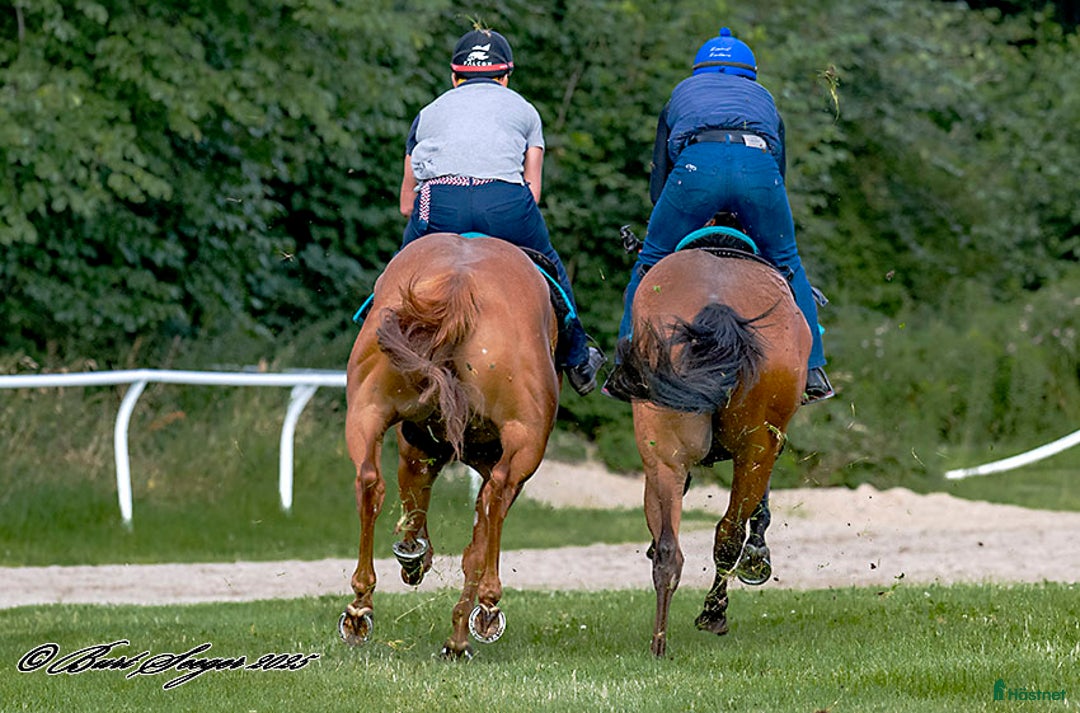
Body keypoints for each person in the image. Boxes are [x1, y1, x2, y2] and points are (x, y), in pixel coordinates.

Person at [616, 27, 834, 403]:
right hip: (758, 172)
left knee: (649, 262)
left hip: (696, 171)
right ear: (750, 73)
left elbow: (661, 174)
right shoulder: (764, 100)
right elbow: (778, 171)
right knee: (787, 262)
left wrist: (675, 214)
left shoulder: (680, 95)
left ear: (699, 70)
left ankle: (627, 365)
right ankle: (813, 368)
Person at [398, 27, 605, 396]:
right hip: (504, 205)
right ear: (505, 78)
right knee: (551, 266)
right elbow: (534, 190)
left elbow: (406, 203)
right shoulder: (525, 110)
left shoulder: (428, 113)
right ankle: (577, 360)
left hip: (439, 202)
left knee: (399, 276)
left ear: (454, 76)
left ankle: (375, 325)